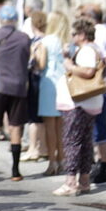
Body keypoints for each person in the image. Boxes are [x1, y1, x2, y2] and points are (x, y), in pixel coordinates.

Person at [52, 18, 104, 196]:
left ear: (82, 35)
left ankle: (71, 182)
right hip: (87, 103)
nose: (72, 37)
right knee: (84, 142)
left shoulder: (87, 50)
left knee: (72, 141)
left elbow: (88, 71)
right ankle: (84, 180)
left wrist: (69, 65)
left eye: (74, 34)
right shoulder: (94, 49)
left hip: (79, 103)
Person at [0, 5, 31, 182]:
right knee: (15, 127)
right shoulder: (25, 38)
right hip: (18, 86)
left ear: (1, 19)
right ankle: (15, 171)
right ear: (16, 20)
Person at [81, 5, 106, 186]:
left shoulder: (97, 33)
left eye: (83, 16)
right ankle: (102, 166)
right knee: (101, 128)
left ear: (91, 18)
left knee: (98, 129)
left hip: (98, 88)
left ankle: (103, 167)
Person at [36, 12, 71, 176]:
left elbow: (41, 65)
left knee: (49, 127)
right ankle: (62, 159)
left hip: (49, 83)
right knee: (61, 126)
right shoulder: (66, 42)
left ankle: (52, 162)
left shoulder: (45, 41)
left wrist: (34, 54)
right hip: (63, 83)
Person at [21, 11, 48, 162]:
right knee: (41, 117)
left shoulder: (37, 41)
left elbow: (38, 63)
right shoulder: (49, 39)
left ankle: (33, 148)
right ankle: (42, 147)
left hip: (36, 79)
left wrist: (32, 54)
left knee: (33, 116)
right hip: (43, 81)